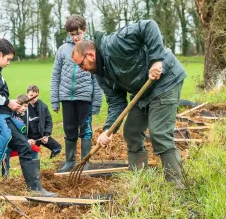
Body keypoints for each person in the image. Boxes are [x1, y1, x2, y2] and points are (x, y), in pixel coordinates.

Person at [71, 20, 187, 184]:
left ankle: (177, 187)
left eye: (81, 65)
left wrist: (156, 60)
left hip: (165, 80)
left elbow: (149, 26)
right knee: (131, 132)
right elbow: (116, 102)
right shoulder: (100, 74)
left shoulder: (115, 43)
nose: (81, 69)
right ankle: (140, 182)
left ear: (90, 55)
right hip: (142, 91)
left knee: (159, 133)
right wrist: (107, 131)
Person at [0, 39, 56, 197]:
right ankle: (36, 190)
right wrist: (8, 102)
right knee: (24, 146)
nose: (9, 63)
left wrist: (10, 104)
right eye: (8, 59)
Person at [51, 14, 103, 172]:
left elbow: (98, 76)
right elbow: (56, 75)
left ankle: (85, 162)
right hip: (66, 97)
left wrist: (97, 102)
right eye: (72, 34)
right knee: (69, 129)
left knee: (85, 129)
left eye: (78, 33)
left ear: (84, 31)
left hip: (85, 97)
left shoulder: (91, 48)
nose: (75, 37)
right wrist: (55, 100)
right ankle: (69, 161)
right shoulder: (62, 50)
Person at [26, 85, 61, 158]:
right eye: (31, 95)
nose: (33, 98)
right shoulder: (24, 108)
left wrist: (46, 135)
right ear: (27, 95)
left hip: (42, 136)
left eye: (36, 96)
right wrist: (27, 139)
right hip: (30, 139)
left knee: (57, 147)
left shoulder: (43, 106)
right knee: (32, 158)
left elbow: (49, 122)